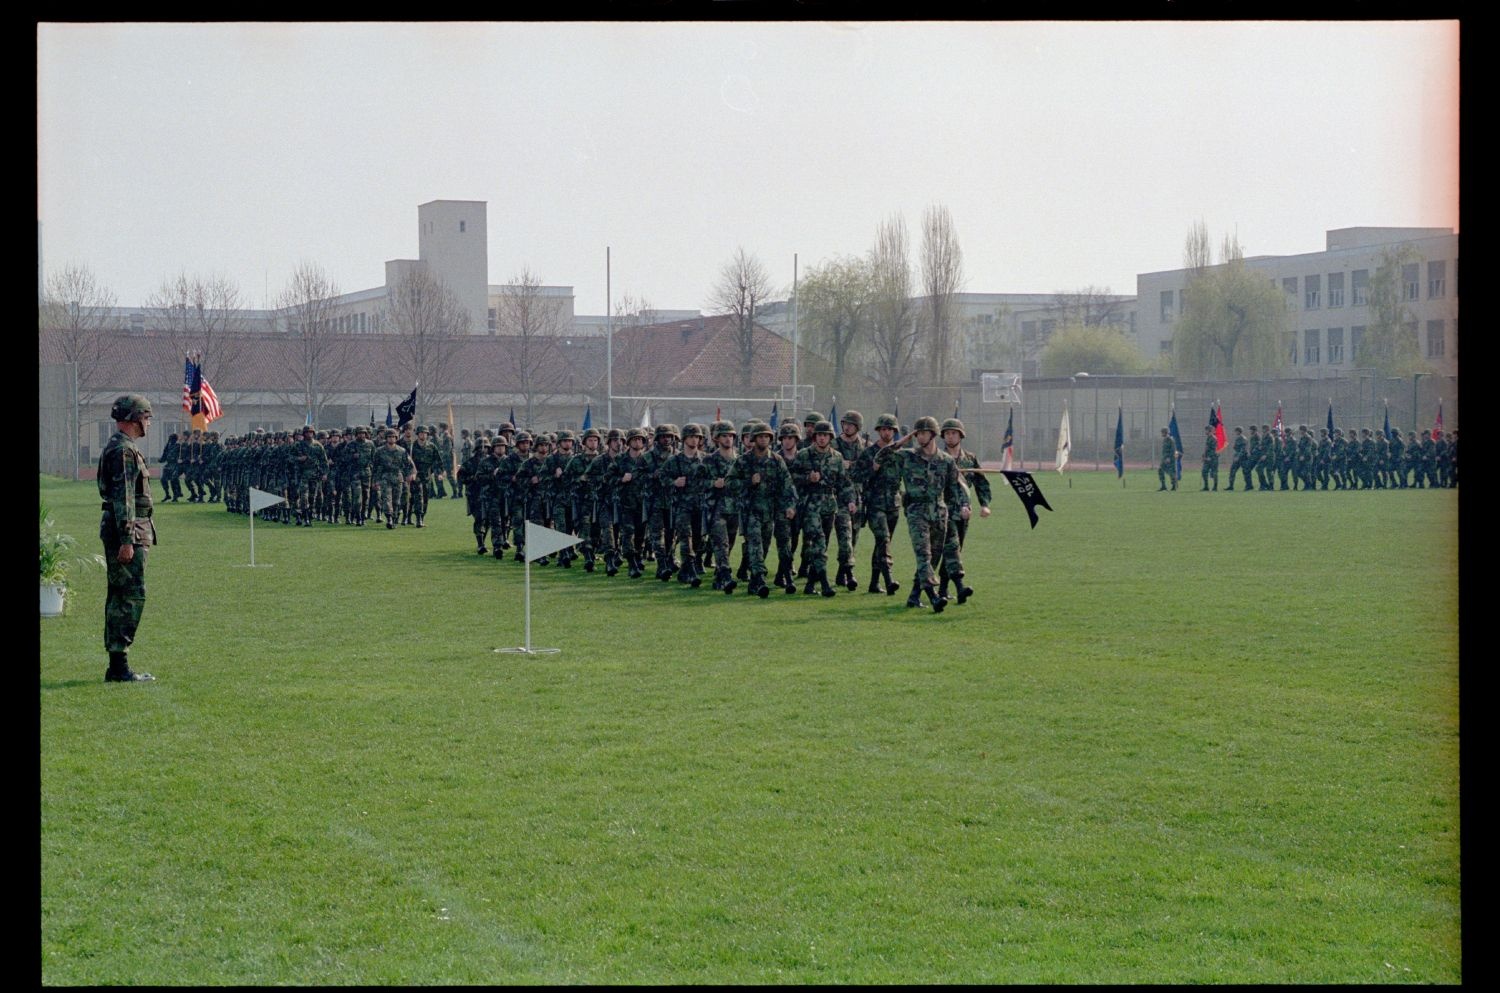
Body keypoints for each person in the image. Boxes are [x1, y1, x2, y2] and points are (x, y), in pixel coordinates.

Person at [98, 394, 157, 682]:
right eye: (146, 417)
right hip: (128, 532)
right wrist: (126, 538)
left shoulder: (122, 447)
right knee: (129, 595)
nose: (148, 422)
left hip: (128, 530)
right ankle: (119, 666)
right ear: (134, 418)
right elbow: (124, 497)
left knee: (122, 594)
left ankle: (117, 664)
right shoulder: (123, 451)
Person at [1201, 426, 1219, 491]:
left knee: (1214, 472)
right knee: (1204, 471)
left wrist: (1209, 457)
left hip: (1213, 458)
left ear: (1210, 430)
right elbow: (1206, 448)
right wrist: (1204, 456)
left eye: (1206, 430)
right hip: (1207, 458)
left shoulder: (1213, 438)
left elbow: (1214, 449)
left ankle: (1215, 487)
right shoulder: (1208, 438)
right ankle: (1206, 486)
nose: (1205, 431)